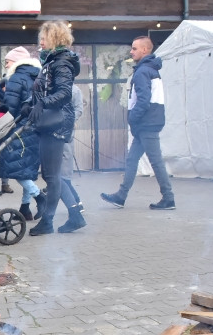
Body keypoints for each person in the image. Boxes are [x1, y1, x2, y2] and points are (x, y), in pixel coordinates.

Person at [100, 36, 175, 210]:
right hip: (150, 122)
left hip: (146, 123)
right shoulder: (151, 69)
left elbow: (143, 100)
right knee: (132, 160)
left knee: (155, 161)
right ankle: (121, 196)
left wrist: (133, 119)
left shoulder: (142, 71)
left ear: (145, 50)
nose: (131, 51)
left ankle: (168, 197)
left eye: (134, 48)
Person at [26, 21, 81, 235]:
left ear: (56, 39)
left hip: (56, 122)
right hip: (50, 121)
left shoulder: (61, 62)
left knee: (52, 176)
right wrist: (31, 104)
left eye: (45, 37)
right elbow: (45, 91)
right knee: (53, 175)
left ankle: (48, 221)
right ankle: (76, 217)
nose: (41, 41)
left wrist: (42, 104)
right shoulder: (51, 61)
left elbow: (64, 93)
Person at [0, 46, 43, 220]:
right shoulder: (36, 75)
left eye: (7, 62)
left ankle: (40, 197)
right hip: (34, 128)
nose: (6, 65)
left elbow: (11, 106)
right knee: (26, 170)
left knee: (13, 169)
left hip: (19, 128)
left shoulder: (17, 76)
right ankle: (25, 208)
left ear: (16, 61)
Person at [55, 84, 87, 233]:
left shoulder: (72, 90)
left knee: (59, 176)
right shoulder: (54, 86)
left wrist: (68, 121)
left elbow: (79, 109)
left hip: (61, 136)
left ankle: (75, 211)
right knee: (58, 176)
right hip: (58, 135)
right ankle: (76, 206)